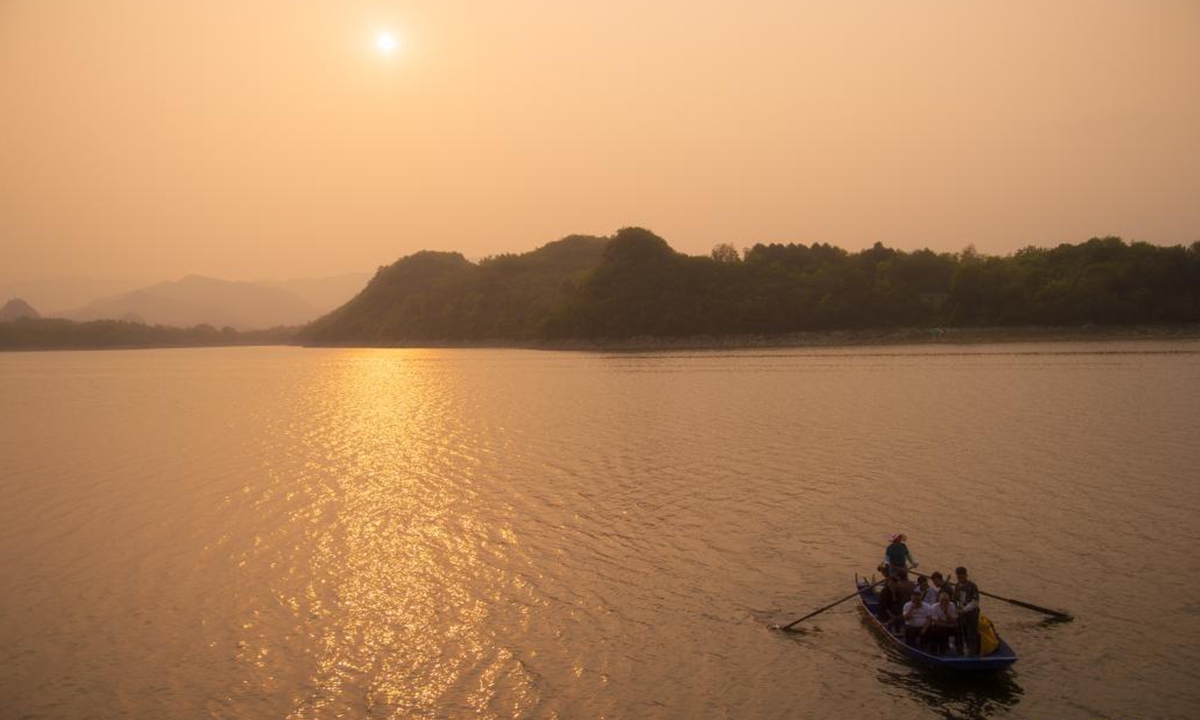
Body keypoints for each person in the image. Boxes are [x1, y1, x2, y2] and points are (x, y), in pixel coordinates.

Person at [955, 566, 981, 655]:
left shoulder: (973, 586)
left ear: (966, 575)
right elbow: (956, 599)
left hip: (972, 612)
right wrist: (958, 608)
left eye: (962, 576)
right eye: (958, 576)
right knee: (962, 631)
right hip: (961, 612)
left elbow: (975, 601)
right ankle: (962, 649)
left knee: (972, 632)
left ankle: (973, 651)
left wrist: (965, 610)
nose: (960, 578)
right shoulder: (957, 586)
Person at [927, 591, 960, 655]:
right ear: (939, 600)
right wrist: (948, 623)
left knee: (957, 629)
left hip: (948, 625)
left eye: (946, 600)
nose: (944, 602)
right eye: (942, 600)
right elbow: (936, 622)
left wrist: (947, 613)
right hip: (939, 627)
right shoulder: (934, 607)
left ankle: (959, 649)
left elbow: (954, 620)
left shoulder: (952, 605)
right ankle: (942, 650)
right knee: (941, 630)